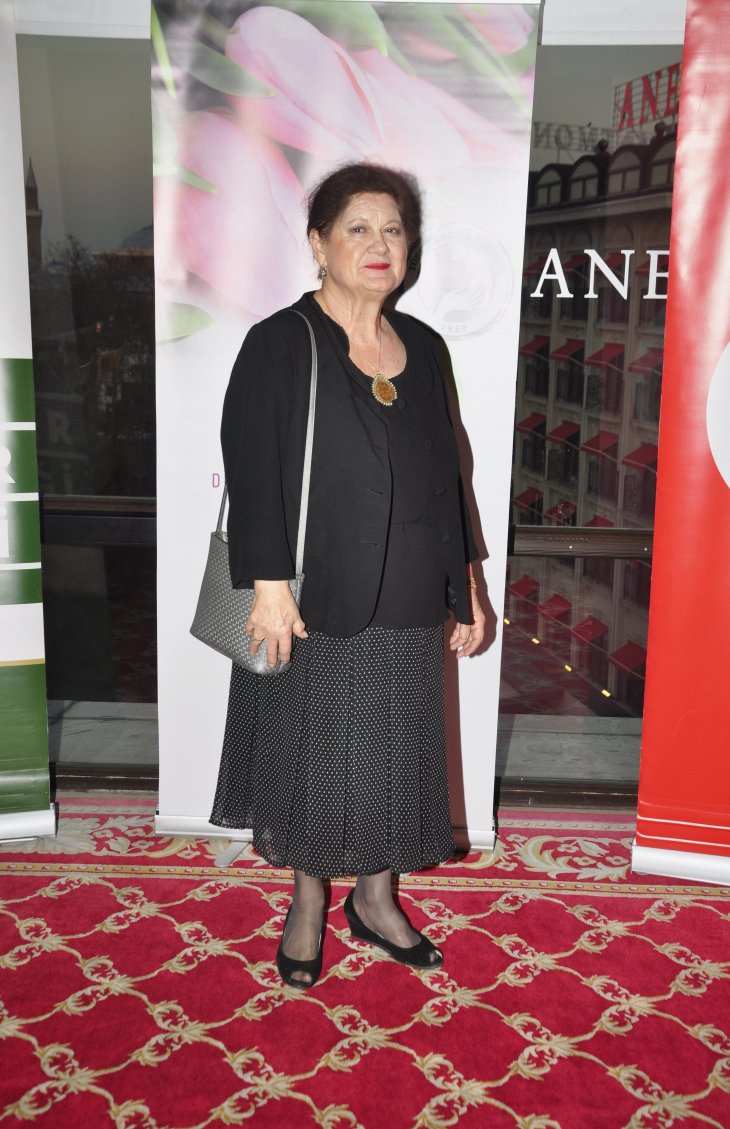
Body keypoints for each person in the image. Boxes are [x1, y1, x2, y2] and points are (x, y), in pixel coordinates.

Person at [210, 162, 485, 987]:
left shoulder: (425, 348)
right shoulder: (281, 342)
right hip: (310, 592)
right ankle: (307, 901)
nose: (379, 243)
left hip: (409, 589)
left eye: (393, 229)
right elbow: (252, 468)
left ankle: (374, 898)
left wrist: (466, 583)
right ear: (318, 243)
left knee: (395, 753)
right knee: (313, 753)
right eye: (358, 227)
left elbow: (449, 472)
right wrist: (268, 586)